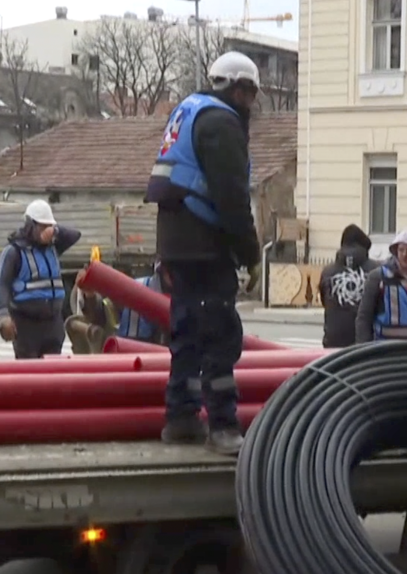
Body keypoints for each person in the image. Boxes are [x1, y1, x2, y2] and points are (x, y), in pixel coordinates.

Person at [145, 51, 262, 455]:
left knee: (186, 333)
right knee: (218, 335)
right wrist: (250, 253)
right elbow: (232, 199)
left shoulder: (188, 113)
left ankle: (180, 418)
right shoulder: (222, 124)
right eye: (250, 95)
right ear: (239, 89)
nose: (251, 105)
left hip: (176, 244)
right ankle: (223, 426)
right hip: (205, 245)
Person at [0, 200, 81, 359]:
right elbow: (3, 285)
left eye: (49, 226)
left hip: (53, 323)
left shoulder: (53, 247)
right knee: (30, 377)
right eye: (42, 226)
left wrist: (54, 229)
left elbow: (75, 235)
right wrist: (4, 316)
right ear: (29, 226)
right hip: (26, 325)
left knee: (52, 376)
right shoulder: (14, 252)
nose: (47, 231)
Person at [67, 260, 173, 352]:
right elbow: (101, 318)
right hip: (134, 365)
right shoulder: (137, 290)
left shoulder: (186, 300)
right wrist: (90, 295)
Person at [319, 224, 377, 348]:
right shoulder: (376, 271)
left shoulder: (328, 272)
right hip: (365, 345)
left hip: (333, 343)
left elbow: (325, 301)